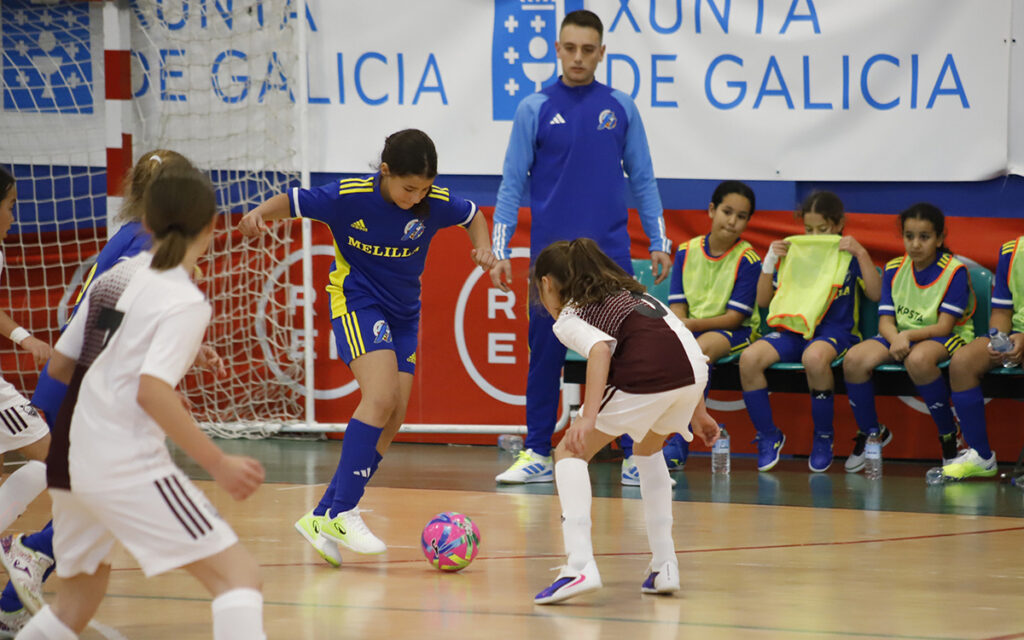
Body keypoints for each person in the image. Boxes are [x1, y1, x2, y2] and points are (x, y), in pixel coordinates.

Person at [16, 162, 266, 639]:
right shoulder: (184, 299)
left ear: (145, 223)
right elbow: (151, 391)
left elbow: (61, 367)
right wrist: (218, 463)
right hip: (124, 465)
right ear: (213, 225)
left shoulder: (117, 277)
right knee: (240, 578)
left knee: (74, 606)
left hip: (71, 465)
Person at [238, 129, 495, 563]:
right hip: (357, 301)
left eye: (425, 189)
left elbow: (473, 216)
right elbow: (294, 200)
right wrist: (258, 214)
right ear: (385, 172)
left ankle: (321, 515)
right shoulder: (348, 197)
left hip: (404, 315)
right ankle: (344, 511)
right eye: (408, 187)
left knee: (393, 417)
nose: (416, 197)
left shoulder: (434, 203)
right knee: (379, 398)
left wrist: (483, 248)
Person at [491, 9, 673, 486]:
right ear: (557, 50)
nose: (578, 58)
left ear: (601, 52)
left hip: (609, 262)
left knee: (628, 355)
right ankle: (535, 451)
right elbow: (511, 185)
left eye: (587, 50)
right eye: (569, 48)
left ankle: (638, 454)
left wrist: (659, 241)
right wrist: (500, 248)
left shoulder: (621, 106)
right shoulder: (533, 108)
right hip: (551, 264)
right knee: (545, 353)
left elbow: (645, 178)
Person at [527, 239, 717, 605]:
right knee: (647, 451)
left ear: (547, 284)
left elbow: (599, 350)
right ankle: (665, 564)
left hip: (651, 376)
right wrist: (699, 410)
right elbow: (683, 344)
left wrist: (589, 415)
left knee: (568, 452)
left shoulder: (571, 315)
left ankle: (579, 565)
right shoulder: (636, 296)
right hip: (692, 373)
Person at [739, 192, 881, 472]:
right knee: (748, 359)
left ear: (839, 224)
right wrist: (769, 262)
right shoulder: (796, 254)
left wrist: (861, 252)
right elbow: (764, 302)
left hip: (835, 332)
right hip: (792, 331)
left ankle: (824, 436)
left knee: (814, 358)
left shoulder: (849, 256)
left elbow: (875, 294)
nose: (814, 235)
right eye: (809, 230)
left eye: (823, 230)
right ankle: (768, 435)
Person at [842, 203, 975, 472]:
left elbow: (944, 327)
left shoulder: (955, 272)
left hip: (945, 336)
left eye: (924, 237)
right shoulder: (893, 268)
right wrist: (896, 338)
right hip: (900, 335)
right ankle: (872, 434)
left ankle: (950, 438)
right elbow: (885, 321)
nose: (915, 244)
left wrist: (906, 336)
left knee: (919, 359)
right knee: (854, 360)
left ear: (939, 239)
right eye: (909, 236)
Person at [667, 180, 761, 469]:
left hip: (736, 333)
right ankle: (633, 440)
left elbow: (734, 318)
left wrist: (687, 327)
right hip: (693, 330)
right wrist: (681, 328)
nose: (732, 222)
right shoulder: (685, 251)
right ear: (712, 210)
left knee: (698, 351)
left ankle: (679, 441)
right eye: (727, 212)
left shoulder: (748, 259)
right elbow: (677, 307)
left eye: (741, 216)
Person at [941, 236, 1024, 479]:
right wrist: (1000, 339)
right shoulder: (1012, 251)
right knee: (963, 362)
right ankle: (981, 456)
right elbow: (1001, 312)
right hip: (1018, 333)